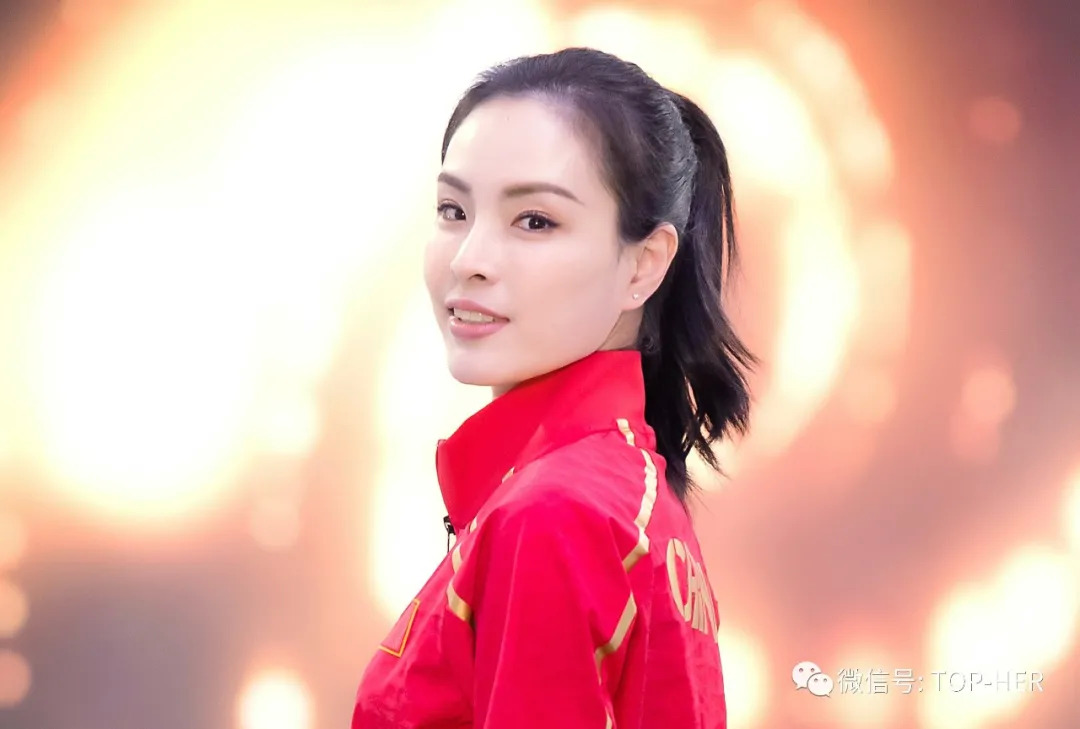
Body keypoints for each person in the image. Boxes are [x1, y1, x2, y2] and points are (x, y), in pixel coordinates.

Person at [352, 46, 755, 729]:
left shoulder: (553, 515)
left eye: (534, 220)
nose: (470, 260)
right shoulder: (614, 494)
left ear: (644, 264)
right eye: (452, 210)